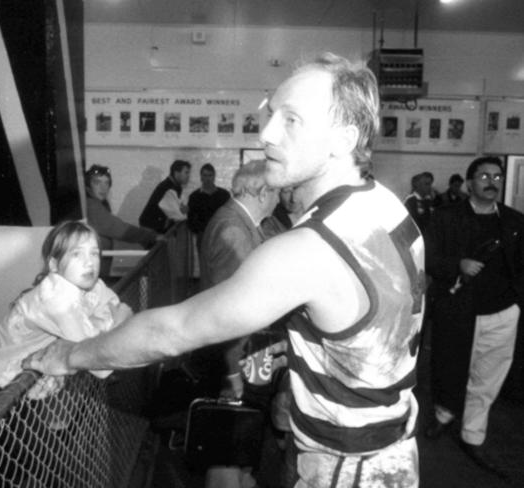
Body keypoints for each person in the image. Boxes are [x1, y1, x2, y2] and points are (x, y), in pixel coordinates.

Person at [23, 53, 424, 487]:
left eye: (291, 120)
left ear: (343, 139)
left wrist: (68, 356)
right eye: (270, 113)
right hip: (392, 451)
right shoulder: (385, 205)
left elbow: (172, 331)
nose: (266, 132)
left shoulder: (310, 249)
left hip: (344, 469)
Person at [424, 156, 524, 478]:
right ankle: (444, 414)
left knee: (489, 374)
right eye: (483, 176)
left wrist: (517, 303)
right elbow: (427, 258)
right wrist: (458, 265)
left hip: (502, 314)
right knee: (449, 366)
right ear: (469, 183)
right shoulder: (445, 217)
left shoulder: (514, 221)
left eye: (497, 176)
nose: (491, 182)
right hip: (458, 311)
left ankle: (473, 432)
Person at [196, 159, 283, 487]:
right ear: (262, 192)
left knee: (241, 446)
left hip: (246, 353)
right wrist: (233, 370)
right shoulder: (233, 228)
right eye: (276, 191)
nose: (279, 198)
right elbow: (233, 310)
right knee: (228, 451)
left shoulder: (251, 223)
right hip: (235, 356)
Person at [0, 221, 132, 391]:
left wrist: (100, 328)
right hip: (1, 383)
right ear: (54, 265)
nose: (89, 263)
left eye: (94, 253)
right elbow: (100, 366)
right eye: (77, 254)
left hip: (35, 378)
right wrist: (118, 323)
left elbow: (113, 304)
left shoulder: (91, 283)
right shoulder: (56, 300)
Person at [84, 164, 160, 278]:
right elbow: (116, 228)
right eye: (97, 182)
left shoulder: (96, 203)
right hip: (91, 271)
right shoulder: (91, 205)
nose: (103, 188)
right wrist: (150, 236)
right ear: (87, 186)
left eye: (106, 183)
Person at [187, 163, 231, 252]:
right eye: (205, 175)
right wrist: (199, 231)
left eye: (210, 175)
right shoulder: (194, 196)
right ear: (201, 177)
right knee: (203, 262)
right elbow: (190, 218)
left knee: (220, 261)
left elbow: (229, 215)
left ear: (214, 177)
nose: (207, 178)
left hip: (221, 235)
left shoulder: (224, 195)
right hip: (203, 235)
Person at [139, 159, 191, 233]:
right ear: (176, 173)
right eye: (186, 172)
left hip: (157, 227)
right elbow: (179, 216)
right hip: (151, 229)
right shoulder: (168, 189)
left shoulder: (174, 186)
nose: (188, 176)